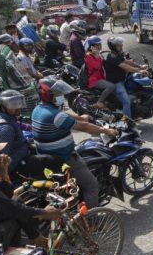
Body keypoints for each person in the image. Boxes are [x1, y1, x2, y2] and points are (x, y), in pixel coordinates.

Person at [31, 77, 115, 208]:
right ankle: (93, 221)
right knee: (92, 185)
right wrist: (106, 130)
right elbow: (84, 127)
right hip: (64, 158)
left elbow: (64, 116)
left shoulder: (38, 109)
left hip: (46, 157)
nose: (61, 97)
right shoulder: (55, 115)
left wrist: (80, 117)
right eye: (57, 94)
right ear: (48, 95)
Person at [103, 36, 149, 118]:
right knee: (126, 102)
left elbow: (127, 62)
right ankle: (126, 123)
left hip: (122, 80)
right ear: (113, 46)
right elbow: (125, 66)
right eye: (118, 45)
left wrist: (140, 66)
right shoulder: (112, 56)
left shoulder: (116, 54)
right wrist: (139, 71)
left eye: (120, 44)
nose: (121, 46)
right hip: (116, 83)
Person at [83, 36, 116, 108]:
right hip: (94, 79)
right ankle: (100, 101)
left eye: (99, 44)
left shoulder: (97, 53)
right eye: (97, 45)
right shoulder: (89, 56)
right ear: (91, 46)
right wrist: (97, 55)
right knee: (111, 86)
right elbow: (97, 66)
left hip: (100, 76)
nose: (99, 46)